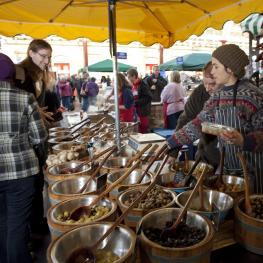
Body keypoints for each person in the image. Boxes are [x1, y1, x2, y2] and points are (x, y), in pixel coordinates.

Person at [167, 44, 263, 194]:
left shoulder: (251, 95)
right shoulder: (218, 97)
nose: (212, 71)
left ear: (229, 69)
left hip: (254, 173)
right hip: (229, 171)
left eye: (216, 67)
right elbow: (199, 124)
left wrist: (244, 141)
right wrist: (171, 143)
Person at [0, 53, 47, 263]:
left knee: (2, 223)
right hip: (21, 172)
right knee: (17, 225)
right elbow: (39, 136)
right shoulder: (24, 97)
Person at [15, 39, 53, 237]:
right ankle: (31, 232)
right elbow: (20, 103)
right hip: (24, 140)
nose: (47, 61)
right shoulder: (20, 74)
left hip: (38, 135)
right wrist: (36, 110)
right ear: (31, 53)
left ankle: (38, 224)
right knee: (30, 187)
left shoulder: (40, 74)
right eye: (43, 56)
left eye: (49, 57)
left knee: (37, 184)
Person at [176, 62, 221, 169]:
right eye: (205, 83)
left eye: (212, 84)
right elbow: (185, 119)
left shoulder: (238, 95)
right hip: (205, 153)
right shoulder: (200, 92)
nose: (207, 88)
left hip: (232, 160)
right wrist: (173, 150)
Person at [127, 68, 152, 133]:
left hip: (142, 112)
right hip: (136, 112)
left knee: (143, 130)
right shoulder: (133, 85)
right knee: (138, 131)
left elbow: (148, 97)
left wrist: (135, 102)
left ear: (134, 76)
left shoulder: (143, 84)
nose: (128, 79)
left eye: (129, 77)